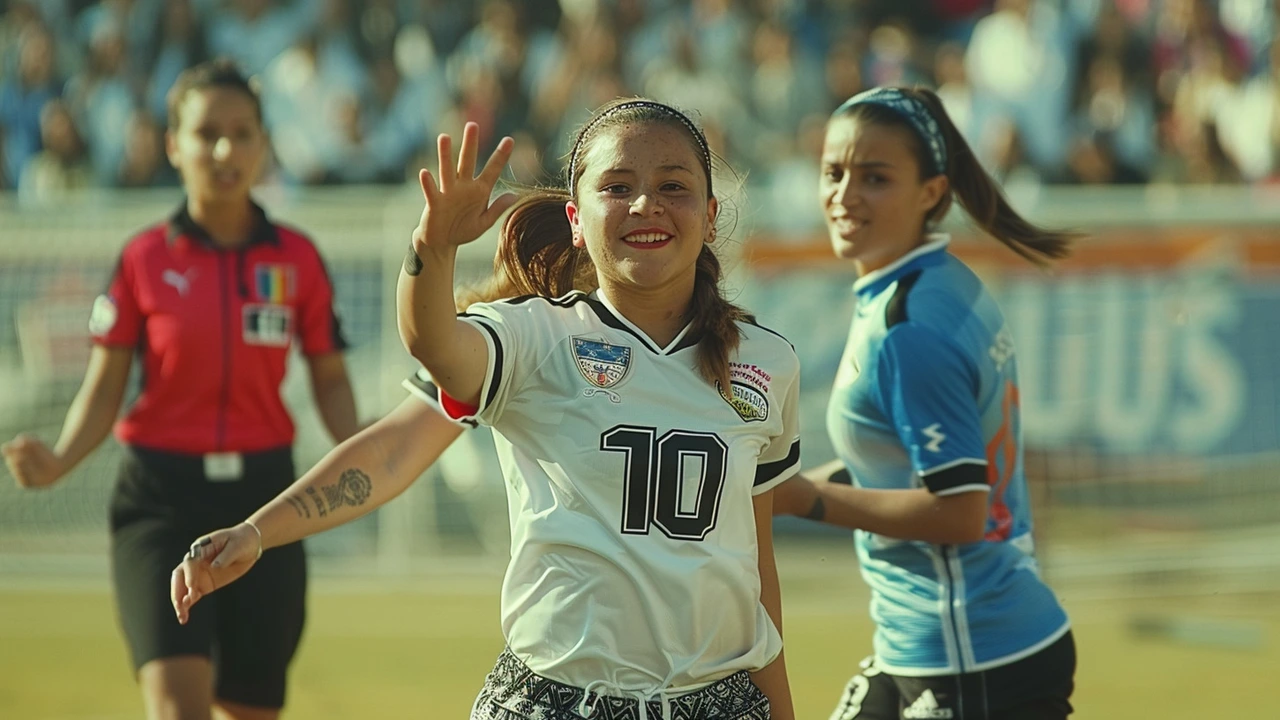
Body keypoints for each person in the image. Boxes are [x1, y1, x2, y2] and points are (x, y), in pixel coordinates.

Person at [397, 100, 799, 720]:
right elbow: (436, 343)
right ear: (576, 220)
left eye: (673, 185)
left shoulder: (769, 362)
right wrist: (432, 247)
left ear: (712, 216)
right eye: (617, 187)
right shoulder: (534, 336)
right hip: (555, 701)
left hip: (720, 702)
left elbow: (755, 567)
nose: (646, 205)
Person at [2, 59, 361, 720]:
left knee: (248, 708)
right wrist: (55, 461)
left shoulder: (298, 259)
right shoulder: (144, 259)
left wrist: (369, 456)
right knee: (177, 707)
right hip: (159, 503)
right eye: (206, 133)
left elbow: (332, 380)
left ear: (263, 143)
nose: (225, 150)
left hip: (265, 503)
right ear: (173, 145)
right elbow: (104, 388)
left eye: (242, 133)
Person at [772, 86, 1077, 720]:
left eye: (875, 177)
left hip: (972, 658)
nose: (844, 195)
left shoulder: (910, 326)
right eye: (833, 172)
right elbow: (904, 468)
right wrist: (777, 493)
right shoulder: (932, 285)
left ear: (931, 192)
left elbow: (961, 510)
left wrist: (807, 501)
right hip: (936, 646)